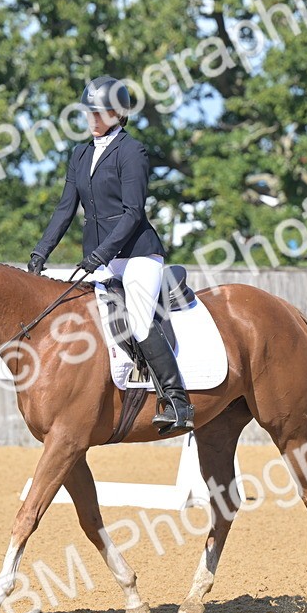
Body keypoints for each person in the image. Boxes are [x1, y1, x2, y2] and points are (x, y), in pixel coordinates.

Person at [28, 75, 193, 434]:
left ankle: (177, 401)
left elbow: (134, 212)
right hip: (102, 259)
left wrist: (101, 253)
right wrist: (41, 251)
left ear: (119, 114)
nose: (92, 117)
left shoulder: (132, 151)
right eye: (88, 110)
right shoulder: (81, 153)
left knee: (137, 319)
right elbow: (64, 209)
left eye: (99, 111)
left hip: (137, 256)